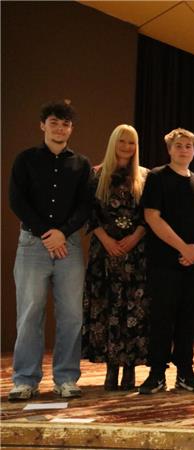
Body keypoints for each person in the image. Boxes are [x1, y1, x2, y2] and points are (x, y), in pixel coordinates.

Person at [8, 100, 91, 401]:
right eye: (54, 122)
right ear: (43, 125)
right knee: (29, 313)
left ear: (71, 129)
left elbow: (85, 206)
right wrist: (47, 233)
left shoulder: (81, 164)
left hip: (67, 246)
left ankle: (66, 378)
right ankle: (25, 379)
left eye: (66, 124)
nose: (60, 128)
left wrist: (62, 233)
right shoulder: (25, 159)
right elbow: (17, 201)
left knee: (71, 315)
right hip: (32, 244)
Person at [138, 128, 194, 395]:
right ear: (169, 149)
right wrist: (183, 248)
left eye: (189, 146)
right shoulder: (157, 177)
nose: (184, 149)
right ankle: (156, 374)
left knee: (187, 320)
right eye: (179, 145)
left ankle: (185, 373)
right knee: (162, 319)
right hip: (164, 262)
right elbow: (152, 217)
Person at [82, 124, 149, 391]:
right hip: (105, 253)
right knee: (108, 309)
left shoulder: (144, 176)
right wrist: (107, 240)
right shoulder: (96, 175)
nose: (126, 147)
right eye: (122, 142)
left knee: (134, 310)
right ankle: (111, 369)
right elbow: (89, 213)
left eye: (131, 143)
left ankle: (130, 370)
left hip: (136, 255)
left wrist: (136, 237)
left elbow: (149, 214)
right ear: (113, 143)